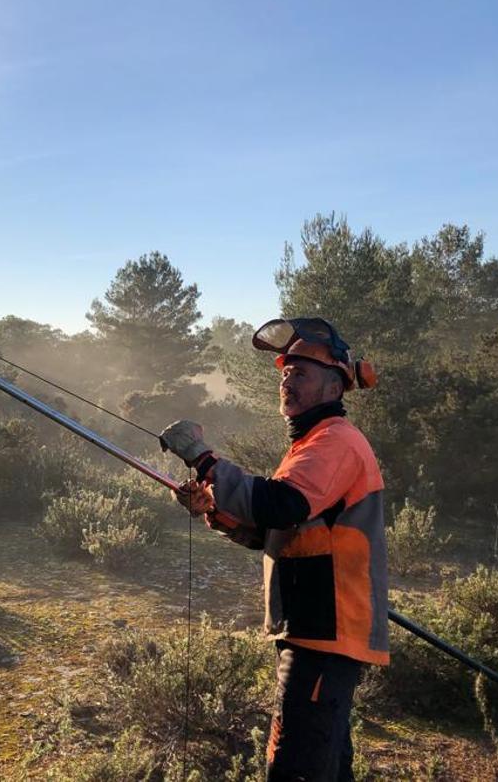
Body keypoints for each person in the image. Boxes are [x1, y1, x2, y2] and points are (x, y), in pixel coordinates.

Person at [160, 317, 385, 782]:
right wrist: (215, 508)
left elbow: (280, 506)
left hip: (326, 634)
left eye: (300, 373)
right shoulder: (311, 445)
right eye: (284, 373)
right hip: (314, 630)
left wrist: (204, 460)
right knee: (324, 767)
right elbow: (278, 533)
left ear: (334, 385)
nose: (287, 380)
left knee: (295, 769)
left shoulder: (335, 442)